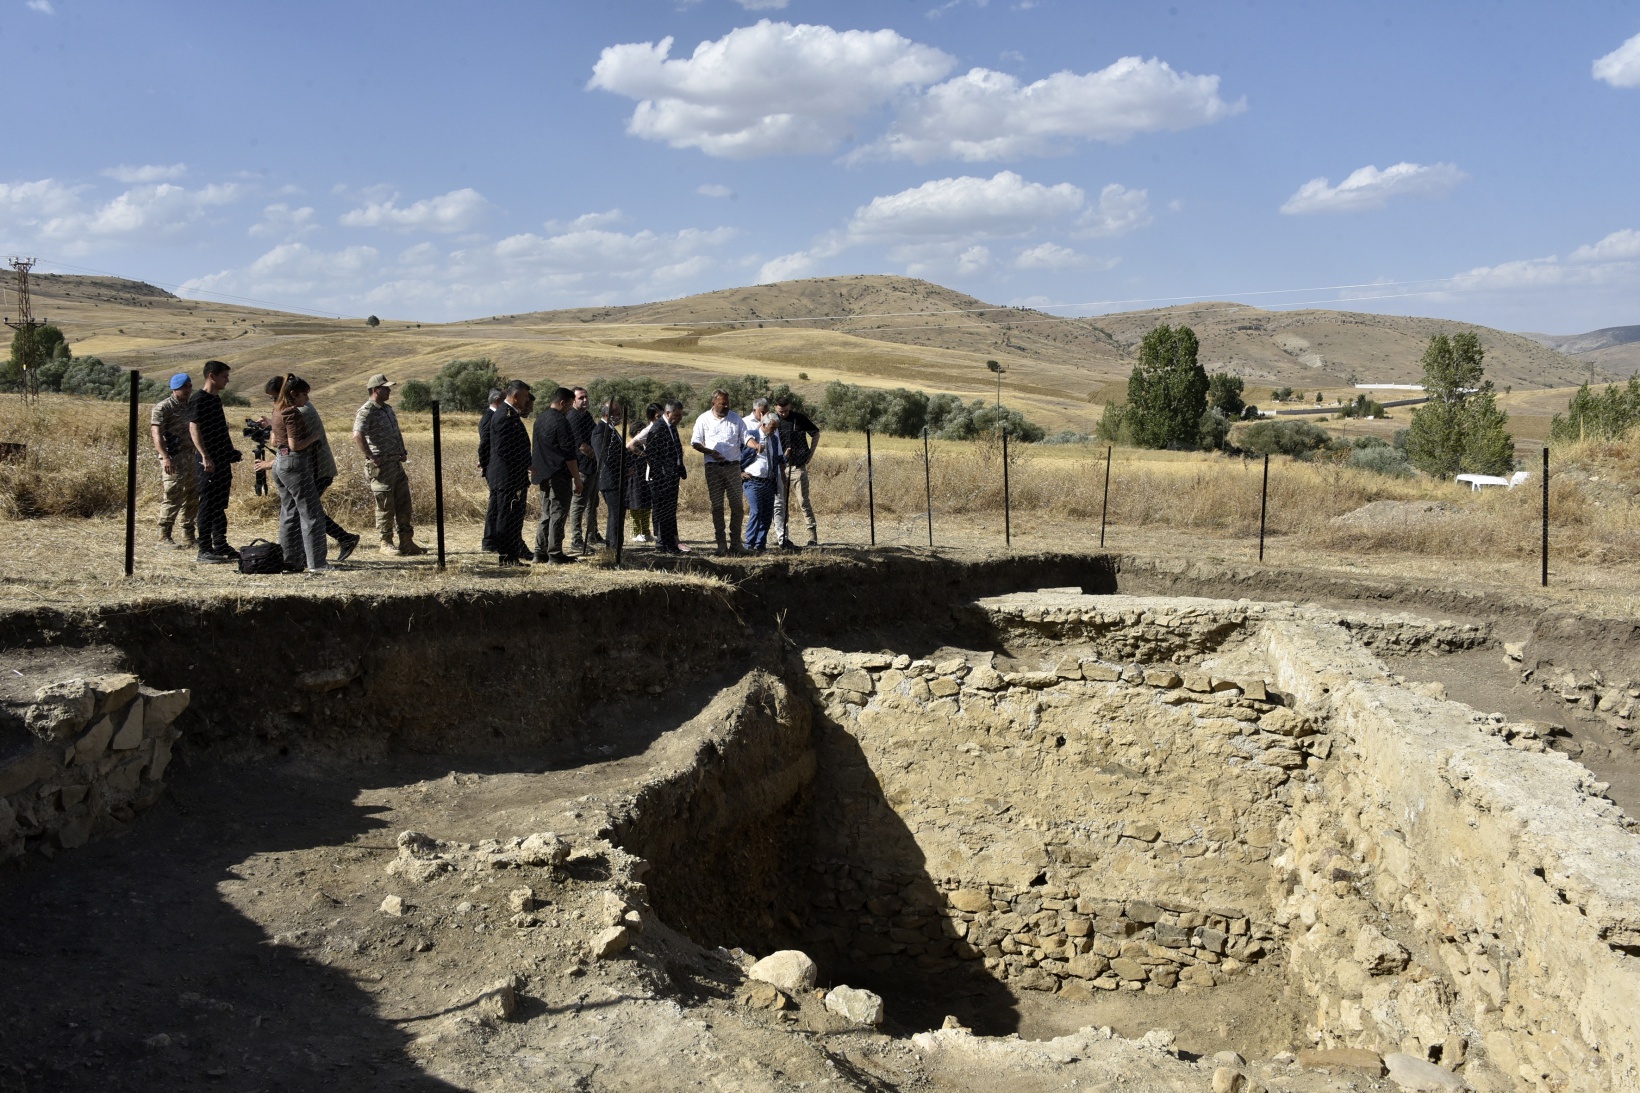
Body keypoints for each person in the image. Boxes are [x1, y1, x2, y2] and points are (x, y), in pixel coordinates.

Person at [257, 377, 360, 562]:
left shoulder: (299, 410)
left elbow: (290, 445)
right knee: (304, 510)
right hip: (308, 467)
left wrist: (271, 463)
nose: (274, 402)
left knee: (305, 512)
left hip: (316, 469)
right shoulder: (292, 410)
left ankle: (307, 555)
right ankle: (311, 552)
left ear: (286, 393)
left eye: (274, 397)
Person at [352, 373, 426, 556]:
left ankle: (406, 542)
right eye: (385, 388)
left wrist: (402, 451)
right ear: (375, 390)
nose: (389, 391)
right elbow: (357, 434)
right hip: (381, 466)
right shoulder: (366, 410)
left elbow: (396, 432)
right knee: (385, 505)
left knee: (404, 503)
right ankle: (385, 543)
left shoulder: (387, 409)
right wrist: (370, 456)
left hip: (395, 463)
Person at [268, 375, 332, 574]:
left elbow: (273, 442)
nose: (307, 399)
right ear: (293, 394)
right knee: (312, 514)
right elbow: (295, 445)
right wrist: (313, 437)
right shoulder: (291, 412)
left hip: (280, 462)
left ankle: (290, 561)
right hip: (295, 464)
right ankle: (317, 563)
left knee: (289, 513)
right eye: (304, 394)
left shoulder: (277, 411)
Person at [187, 359, 239, 564]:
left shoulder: (215, 400)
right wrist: (205, 456)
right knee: (207, 504)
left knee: (219, 504)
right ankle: (204, 549)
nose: (227, 380)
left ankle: (220, 544)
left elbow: (219, 430)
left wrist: (230, 451)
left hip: (221, 459)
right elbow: (194, 428)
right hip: (207, 461)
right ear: (212, 376)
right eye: (224, 376)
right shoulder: (198, 399)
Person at [690, 388, 751, 555]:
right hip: (713, 468)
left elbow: (746, 438)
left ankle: (736, 543)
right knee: (717, 506)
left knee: (737, 506)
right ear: (713, 403)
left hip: (733, 467)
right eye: (722, 403)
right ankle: (721, 544)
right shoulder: (703, 419)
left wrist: (755, 445)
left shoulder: (736, 419)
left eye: (727, 403)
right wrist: (710, 452)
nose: (725, 406)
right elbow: (695, 442)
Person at [530, 387, 583, 564]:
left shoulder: (540, 419)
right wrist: (577, 479)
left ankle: (539, 552)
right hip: (559, 474)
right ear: (562, 403)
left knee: (546, 514)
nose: (569, 409)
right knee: (558, 513)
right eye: (569, 405)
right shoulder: (561, 421)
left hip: (542, 473)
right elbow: (569, 454)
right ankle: (555, 553)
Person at [485, 381, 535, 566]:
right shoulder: (504, 416)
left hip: (513, 475)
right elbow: (504, 449)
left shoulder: (510, 414)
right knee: (507, 517)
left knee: (513, 517)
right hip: (508, 477)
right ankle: (507, 557)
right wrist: (525, 464)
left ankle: (511, 554)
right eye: (525, 397)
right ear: (515, 396)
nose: (526, 400)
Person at [632, 400, 686, 555]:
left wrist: (679, 467)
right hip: (661, 479)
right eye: (677, 415)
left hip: (672, 476)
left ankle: (669, 544)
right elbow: (652, 456)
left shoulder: (671, 427)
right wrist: (661, 476)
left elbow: (676, 449)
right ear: (668, 413)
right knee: (662, 512)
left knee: (669, 511)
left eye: (681, 415)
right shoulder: (658, 428)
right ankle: (663, 544)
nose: (679, 418)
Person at [149, 372, 197, 549]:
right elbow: (156, 433)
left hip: (191, 456)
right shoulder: (163, 407)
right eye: (184, 387)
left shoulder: (191, 406)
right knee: (173, 494)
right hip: (173, 456)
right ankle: (164, 536)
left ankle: (188, 535)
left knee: (193, 495)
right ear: (175, 389)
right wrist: (165, 457)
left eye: (189, 386)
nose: (188, 390)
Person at [771, 393, 822, 549]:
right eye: (780, 411)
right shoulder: (772, 420)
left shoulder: (799, 418)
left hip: (797, 467)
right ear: (775, 409)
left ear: (790, 407)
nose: (783, 414)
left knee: (803, 501)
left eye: (786, 411)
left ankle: (812, 535)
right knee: (780, 504)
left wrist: (810, 454)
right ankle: (782, 536)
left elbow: (815, 433)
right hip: (779, 467)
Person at [565, 386, 602, 553]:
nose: (585, 400)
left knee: (592, 502)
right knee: (579, 503)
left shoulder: (586, 416)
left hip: (592, 466)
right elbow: (581, 445)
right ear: (573, 401)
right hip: (581, 466)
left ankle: (592, 533)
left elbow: (595, 436)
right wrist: (598, 457)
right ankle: (576, 538)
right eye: (581, 398)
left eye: (586, 397)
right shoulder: (572, 417)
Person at [741, 408, 782, 553]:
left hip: (769, 481)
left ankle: (760, 545)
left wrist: (785, 457)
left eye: (776, 428)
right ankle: (749, 544)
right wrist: (740, 472)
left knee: (767, 514)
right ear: (764, 425)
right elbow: (737, 453)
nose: (774, 431)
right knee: (756, 511)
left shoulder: (774, 439)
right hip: (753, 481)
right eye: (772, 428)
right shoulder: (751, 436)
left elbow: (775, 458)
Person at [590, 400, 629, 550]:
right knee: (615, 513)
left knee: (619, 512)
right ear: (607, 415)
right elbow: (605, 456)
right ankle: (613, 547)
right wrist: (624, 466)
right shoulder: (600, 430)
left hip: (618, 477)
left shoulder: (611, 430)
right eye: (617, 414)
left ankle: (616, 544)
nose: (620, 417)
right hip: (610, 479)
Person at [626, 402, 660, 543]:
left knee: (646, 506)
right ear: (635, 433)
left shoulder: (646, 446)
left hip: (646, 478)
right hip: (634, 480)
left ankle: (646, 532)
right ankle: (636, 533)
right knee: (635, 506)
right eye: (639, 432)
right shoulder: (630, 448)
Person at [477, 387, 504, 552]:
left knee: (497, 503)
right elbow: (485, 444)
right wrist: (484, 463)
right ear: (498, 401)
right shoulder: (489, 417)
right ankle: (489, 540)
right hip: (494, 467)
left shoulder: (493, 416)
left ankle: (494, 539)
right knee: (495, 504)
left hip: (494, 465)